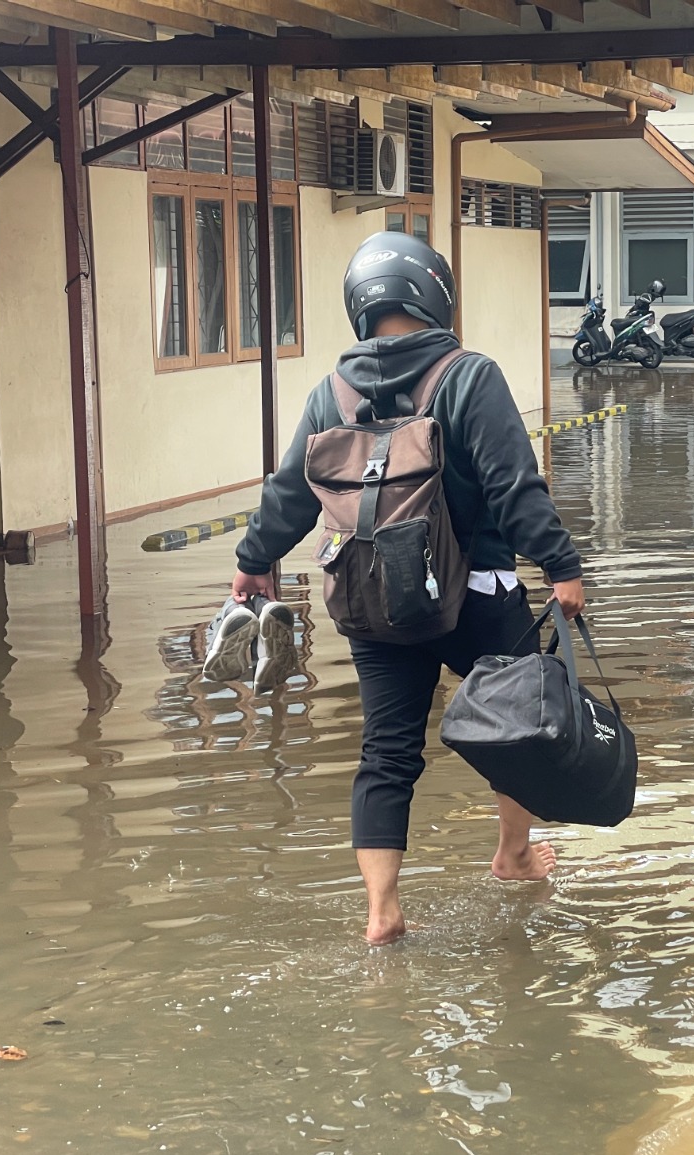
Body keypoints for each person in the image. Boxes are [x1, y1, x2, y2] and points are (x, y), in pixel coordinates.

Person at [223, 231, 586, 946]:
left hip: (373, 603)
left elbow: (291, 491)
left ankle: (381, 912)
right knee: (517, 730)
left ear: (360, 305)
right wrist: (562, 566)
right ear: (436, 295)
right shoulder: (469, 375)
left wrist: (253, 559)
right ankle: (514, 857)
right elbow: (513, 485)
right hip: (479, 596)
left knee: (387, 753)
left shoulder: (332, 393)